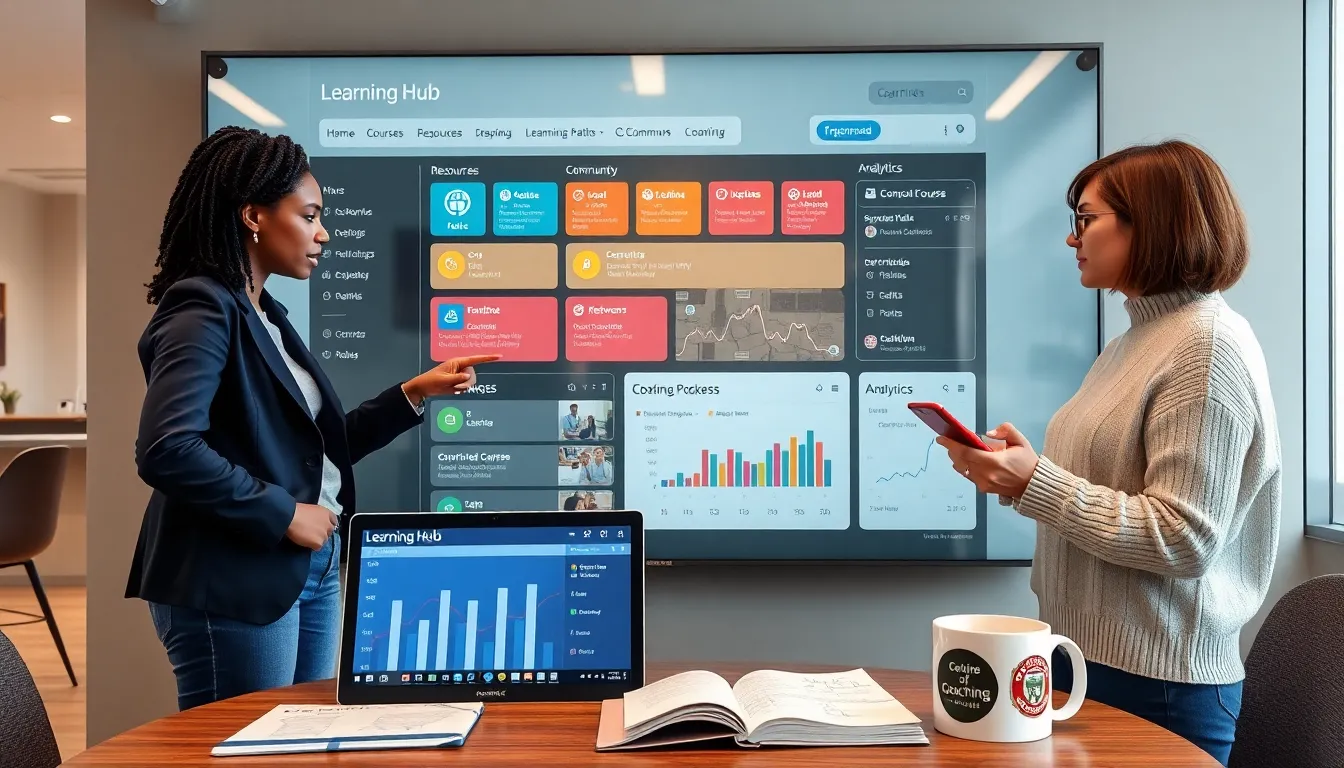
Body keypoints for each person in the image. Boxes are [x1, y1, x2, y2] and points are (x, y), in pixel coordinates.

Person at [126, 126, 500, 710]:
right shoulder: (201, 307)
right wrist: (284, 513)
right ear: (254, 216)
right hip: (235, 575)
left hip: (311, 566)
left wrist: (412, 393)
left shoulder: (265, 313)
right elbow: (166, 449)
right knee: (247, 742)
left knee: (301, 738)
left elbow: (308, 450)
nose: (323, 233)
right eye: (309, 216)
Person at [938, 140, 1280, 765]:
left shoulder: (1206, 349)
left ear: (1151, 224)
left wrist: (1036, 482)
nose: (1072, 239)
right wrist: (1019, 476)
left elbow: (1183, 538)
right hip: (1084, 663)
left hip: (1160, 687)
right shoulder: (1134, 342)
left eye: (1086, 219)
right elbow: (1108, 487)